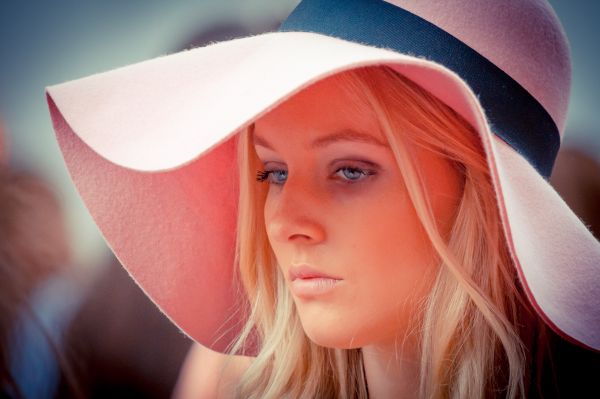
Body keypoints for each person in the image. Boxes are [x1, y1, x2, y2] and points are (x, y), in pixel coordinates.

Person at [45, 0, 600, 398]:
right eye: (274, 172)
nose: (285, 222)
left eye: (350, 170)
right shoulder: (231, 387)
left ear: (482, 196)